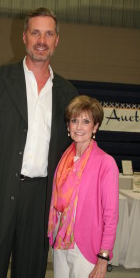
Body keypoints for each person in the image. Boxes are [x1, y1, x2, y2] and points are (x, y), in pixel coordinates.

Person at [0, 7, 78, 278]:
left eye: (48, 34)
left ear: (57, 40)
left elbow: (71, 156)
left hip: (39, 201)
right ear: (24, 37)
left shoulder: (67, 93)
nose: (41, 40)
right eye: (35, 32)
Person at [48, 95, 119, 278]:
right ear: (68, 125)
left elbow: (111, 216)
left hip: (86, 247)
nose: (79, 127)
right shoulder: (63, 159)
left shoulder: (106, 163)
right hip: (61, 240)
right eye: (74, 120)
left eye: (86, 121)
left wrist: (103, 258)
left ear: (95, 127)